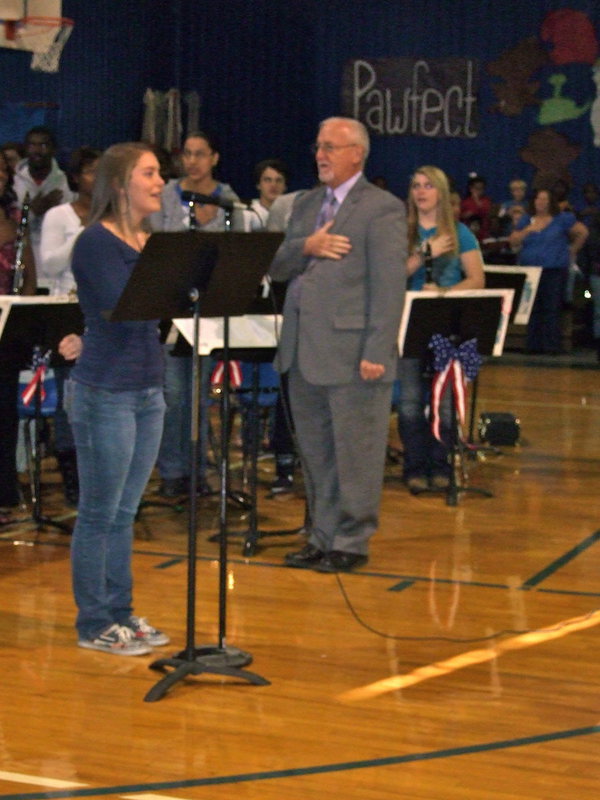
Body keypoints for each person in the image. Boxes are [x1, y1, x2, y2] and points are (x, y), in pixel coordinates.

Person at [269, 116, 406, 573]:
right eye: (318, 145)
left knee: (356, 453)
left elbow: (389, 288)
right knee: (316, 453)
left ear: (357, 155)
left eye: (331, 147)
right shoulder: (307, 204)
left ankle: (351, 540)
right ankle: (322, 535)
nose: (321, 155)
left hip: (353, 355)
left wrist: (377, 351)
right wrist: (306, 245)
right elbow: (277, 266)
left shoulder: (382, 208)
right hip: (302, 352)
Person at [68, 142, 168, 655]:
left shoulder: (150, 241)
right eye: (149, 174)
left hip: (149, 390)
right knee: (100, 511)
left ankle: (122, 612)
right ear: (119, 184)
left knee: (125, 511)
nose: (160, 182)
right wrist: (168, 270)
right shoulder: (95, 243)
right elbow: (124, 305)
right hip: (105, 391)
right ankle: (94, 621)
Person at [150, 130, 242, 498]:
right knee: (173, 393)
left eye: (200, 154)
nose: (192, 161)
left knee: (199, 394)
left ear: (214, 158)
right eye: (187, 154)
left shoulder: (228, 199)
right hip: (170, 306)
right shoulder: (167, 194)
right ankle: (171, 471)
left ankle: (197, 470)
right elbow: (161, 240)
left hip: (208, 307)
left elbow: (231, 249)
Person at [398, 165, 485, 493]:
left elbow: (477, 279)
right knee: (408, 402)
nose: (421, 192)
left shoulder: (460, 233)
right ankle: (414, 466)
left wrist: (444, 293)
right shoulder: (401, 231)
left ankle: (441, 464)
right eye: (416, 185)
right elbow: (390, 275)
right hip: (408, 322)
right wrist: (423, 255)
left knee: (445, 404)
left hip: (447, 325)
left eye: (428, 186)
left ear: (441, 192)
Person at [39, 146, 102, 506]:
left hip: (103, 310)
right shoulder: (60, 216)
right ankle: (71, 474)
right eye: (91, 171)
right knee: (70, 397)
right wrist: (84, 234)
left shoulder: (116, 215)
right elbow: (48, 266)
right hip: (66, 307)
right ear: (76, 177)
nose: (98, 178)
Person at [0, 149, 36, 524]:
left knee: (4, 414)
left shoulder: (15, 217)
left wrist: (24, 305)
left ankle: (4, 493)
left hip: (7, 326)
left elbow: (29, 272)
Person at [509, 188, 588, 353]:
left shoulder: (562, 219)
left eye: (545, 199)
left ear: (551, 202)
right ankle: (533, 345)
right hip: (530, 271)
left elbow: (583, 232)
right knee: (532, 308)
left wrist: (572, 250)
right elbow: (513, 240)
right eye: (538, 199)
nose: (541, 202)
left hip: (553, 269)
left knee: (551, 308)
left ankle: (551, 346)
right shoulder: (526, 220)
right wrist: (527, 230)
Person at [13, 126, 73, 286]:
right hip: (21, 261)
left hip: (57, 266)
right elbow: (10, 225)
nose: (37, 150)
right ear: (25, 148)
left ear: (54, 149)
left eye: (43, 145)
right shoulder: (13, 182)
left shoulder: (65, 181)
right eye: (32, 145)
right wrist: (33, 210)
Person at [243, 158, 289, 231]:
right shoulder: (248, 213)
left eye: (279, 180)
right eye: (268, 180)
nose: (273, 185)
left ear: (285, 186)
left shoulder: (292, 214)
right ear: (258, 185)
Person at [460, 174, 492, 242]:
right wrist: (465, 215)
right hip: (468, 231)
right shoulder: (465, 202)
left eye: (481, 188)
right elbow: (460, 216)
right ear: (471, 189)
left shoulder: (486, 201)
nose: (479, 191)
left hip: (483, 233)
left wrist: (476, 200)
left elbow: (486, 212)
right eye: (477, 188)